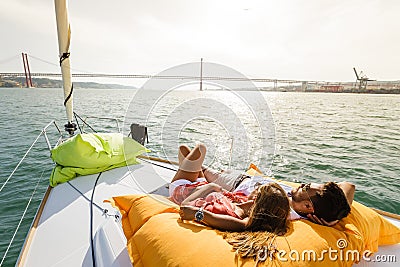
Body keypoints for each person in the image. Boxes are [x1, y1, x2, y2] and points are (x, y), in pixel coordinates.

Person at [171, 144, 355, 226]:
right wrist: (335, 218)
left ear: (308, 206)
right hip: (240, 178)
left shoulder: (281, 210)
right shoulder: (312, 205)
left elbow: (242, 223)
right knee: (192, 162)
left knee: (196, 152)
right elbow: (349, 185)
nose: (300, 186)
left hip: (234, 185)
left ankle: (187, 173)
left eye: (305, 188)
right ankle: (190, 172)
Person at [170, 144, 291, 233]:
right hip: (202, 185)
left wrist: (211, 187)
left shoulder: (231, 216)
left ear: (256, 199)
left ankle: (185, 171)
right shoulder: (244, 201)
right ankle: (187, 169)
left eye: (257, 188)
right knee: (184, 150)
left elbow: (185, 208)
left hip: (184, 189)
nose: (254, 188)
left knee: (200, 149)